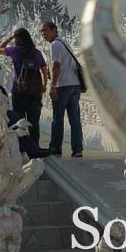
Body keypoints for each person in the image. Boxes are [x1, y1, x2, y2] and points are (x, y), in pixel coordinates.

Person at [0, 28, 49, 147]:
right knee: (34, 122)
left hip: (19, 91)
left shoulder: (15, 51)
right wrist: (44, 85)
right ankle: (35, 147)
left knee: (20, 121)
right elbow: (44, 70)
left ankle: (22, 148)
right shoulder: (37, 53)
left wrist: (10, 38)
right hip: (35, 93)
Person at [40, 21, 84, 158]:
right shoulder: (64, 43)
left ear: (54, 31)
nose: (43, 34)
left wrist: (53, 86)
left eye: (45, 31)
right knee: (75, 118)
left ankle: (55, 147)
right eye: (42, 32)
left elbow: (56, 66)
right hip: (75, 85)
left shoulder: (55, 45)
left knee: (58, 118)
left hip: (62, 86)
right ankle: (77, 149)